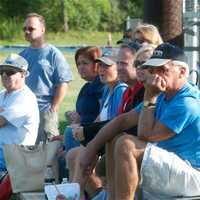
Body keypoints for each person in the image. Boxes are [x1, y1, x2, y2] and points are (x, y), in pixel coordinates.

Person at [78, 43, 200, 199]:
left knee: (126, 144)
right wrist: (91, 149)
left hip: (193, 175)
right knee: (114, 139)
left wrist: (150, 96)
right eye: (151, 70)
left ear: (182, 72)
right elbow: (122, 121)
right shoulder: (164, 94)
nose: (155, 75)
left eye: (162, 70)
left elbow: (147, 135)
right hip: (175, 169)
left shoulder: (186, 102)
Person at [65, 50, 127, 200]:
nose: (101, 70)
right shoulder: (107, 90)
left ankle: (76, 195)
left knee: (79, 155)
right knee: (73, 154)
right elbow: (98, 121)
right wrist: (82, 129)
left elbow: (116, 123)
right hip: (103, 142)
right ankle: (83, 194)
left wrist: (87, 135)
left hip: (112, 144)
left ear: (118, 68)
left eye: (107, 66)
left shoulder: (120, 90)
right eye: (100, 66)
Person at [20, 13, 73, 143]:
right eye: (24, 29)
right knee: (25, 149)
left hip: (45, 111)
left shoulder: (53, 54)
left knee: (48, 152)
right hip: (24, 111)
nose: (27, 31)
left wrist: (53, 107)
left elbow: (63, 82)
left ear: (42, 30)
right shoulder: (21, 56)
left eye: (31, 28)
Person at [0, 53, 39, 172]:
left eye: (10, 72)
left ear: (23, 74)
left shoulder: (25, 97)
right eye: (2, 72)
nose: (5, 75)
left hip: (14, 155)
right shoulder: (2, 94)